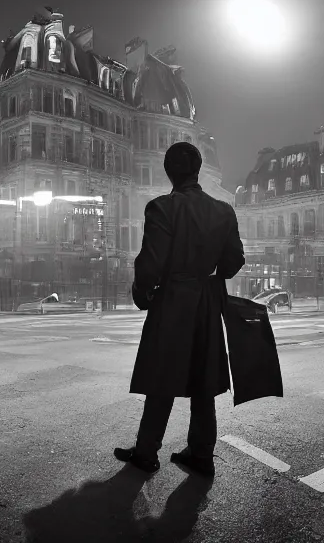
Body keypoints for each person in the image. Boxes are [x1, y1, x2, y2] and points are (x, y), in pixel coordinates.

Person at [114, 141, 245, 477]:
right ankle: (201, 454)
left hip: (172, 300)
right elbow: (233, 262)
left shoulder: (161, 208)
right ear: (198, 170)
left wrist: (143, 292)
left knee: (162, 377)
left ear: (169, 172)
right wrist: (207, 274)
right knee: (204, 380)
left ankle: (146, 452)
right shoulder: (223, 211)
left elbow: (149, 265)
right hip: (205, 302)